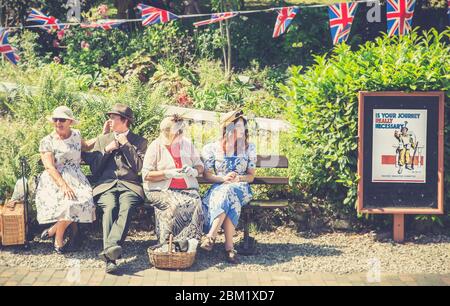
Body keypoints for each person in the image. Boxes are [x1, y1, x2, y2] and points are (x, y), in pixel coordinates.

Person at [82, 104, 148, 274]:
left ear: (125, 121)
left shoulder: (140, 141)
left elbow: (139, 167)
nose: (109, 121)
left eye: (113, 118)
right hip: (106, 185)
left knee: (126, 207)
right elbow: (95, 170)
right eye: (110, 117)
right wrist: (106, 150)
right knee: (109, 207)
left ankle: (109, 253)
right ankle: (111, 255)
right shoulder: (103, 139)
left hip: (130, 186)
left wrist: (126, 145)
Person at [36, 106, 96, 254]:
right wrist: (64, 186)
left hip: (76, 177)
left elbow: (87, 146)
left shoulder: (76, 135)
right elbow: (49, 167)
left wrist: (104, 134)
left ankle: (53, 229)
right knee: (68, 203)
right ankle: (59, 239)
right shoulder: (47, 141)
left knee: (86, 200)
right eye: (55, 119)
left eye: (62, 120)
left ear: (70, 121)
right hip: (55, 179)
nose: (58, 123)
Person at [200, 110, 256, 263]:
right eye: (236, 127)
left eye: (242, 127)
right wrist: (223, 178)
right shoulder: (212, 148)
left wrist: (239, 178)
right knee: (229, 196)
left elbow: (251, 176)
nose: (240, 131)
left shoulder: (249, 148)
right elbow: (207, 174)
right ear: (227, 128)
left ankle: (211, 236)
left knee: (230, 190)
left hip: (242, 188)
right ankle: (229, 248)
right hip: (220, 187)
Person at [142, 115, 204, 246]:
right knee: (173, 206)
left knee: (195, 203)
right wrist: (167, 173)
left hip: (186, 189)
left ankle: (188, 244)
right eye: (177, 132)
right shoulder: (155, 146)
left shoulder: (187, 144)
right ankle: (168, 244)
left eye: (181, 131)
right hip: (160, 189)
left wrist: (194, 171)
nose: (180, 134)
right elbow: (146, 174)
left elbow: (200, 165)